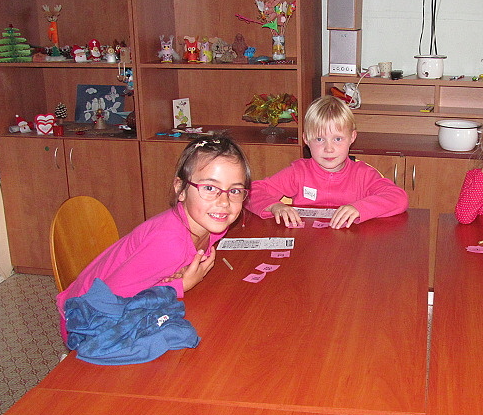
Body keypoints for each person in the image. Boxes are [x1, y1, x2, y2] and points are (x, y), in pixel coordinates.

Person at [56, 134, 251, 337]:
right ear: (181, 189)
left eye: (235, 191)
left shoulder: (212, 223)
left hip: (114, 307)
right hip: (85, 321)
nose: (224, 202)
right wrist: (180, 285)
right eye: (209, 188)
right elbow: (109, 301)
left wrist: (173, 273)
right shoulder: (169, 244)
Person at [245, 95, 408, 229]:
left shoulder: (363, 174)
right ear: (306, 139)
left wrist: (359, 208)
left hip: (350, 244)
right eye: (319, 139)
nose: (329, 149)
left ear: (352, 137)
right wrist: (275, 206)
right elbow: (251, 192)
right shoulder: (298, 171)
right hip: (307, 243)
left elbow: (399, 198)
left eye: (338, 139)